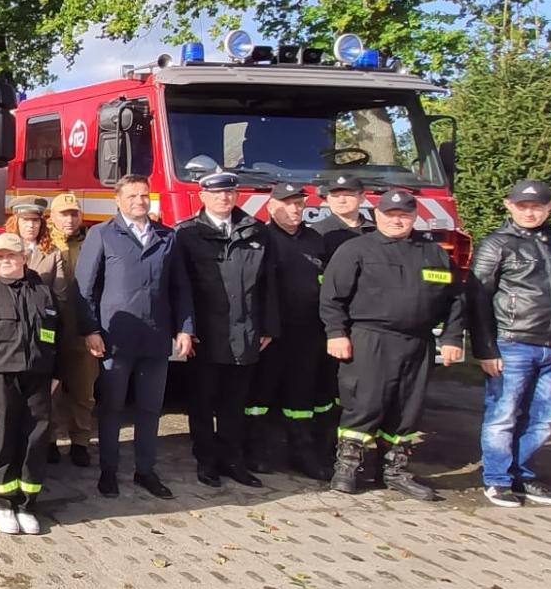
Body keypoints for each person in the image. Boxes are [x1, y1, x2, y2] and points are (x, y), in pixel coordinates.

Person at [320, 187, 466, 501]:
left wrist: (453, 337)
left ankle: (395, 470)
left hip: (418, 342)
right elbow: (332, 297)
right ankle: (347, 467)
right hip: (369, 338)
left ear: (414, 217)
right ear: (377, 214)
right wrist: (336, 333)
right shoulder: (356, 249)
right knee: (364, 403)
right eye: (390, 214)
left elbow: (456, 299)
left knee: (407, 408)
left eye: (404, 215)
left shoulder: (433, 253)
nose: (397, 221)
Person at [469, 179, 551, 507]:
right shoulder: (497, 245)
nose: (529, 212)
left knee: (544, 418)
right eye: (522, 206)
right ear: (509, 206)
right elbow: (478, 298)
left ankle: (522, 475)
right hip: (513, 343)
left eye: (536, 206)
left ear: (550, 207)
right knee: (503, 414)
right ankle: (497, 480)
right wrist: (485, 348)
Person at [76, 174, 192, 500]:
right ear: (118, 200)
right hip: (116, 338)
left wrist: (185, 328)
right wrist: (91, 330)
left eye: (144, 195)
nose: (139, 201)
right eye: (132, 196)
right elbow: (84, 289)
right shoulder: (101, 235)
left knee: (150, 409)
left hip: (156, 339)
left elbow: (180, 287)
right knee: (112, 407)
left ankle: (145, 470)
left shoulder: (168, 237)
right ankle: (109, 472)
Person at [172, 172, 280, 489]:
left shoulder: (257, 232)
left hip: (246, 331)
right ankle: (206, 462)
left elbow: (268, 284)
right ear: (203, 196)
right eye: (217, 194)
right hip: (206, 332)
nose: (224, 198)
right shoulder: (187, 234)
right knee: (203, 403)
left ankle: (233, 461)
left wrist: (268, 326)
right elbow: (181, 287)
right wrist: (185, 328)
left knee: (235, 404)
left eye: (229, 193)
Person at [0, 232, 59, 535]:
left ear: (24, 258)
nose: (6, 261)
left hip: (38, 378)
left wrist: (56, 374)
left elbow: (58, 335)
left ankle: (27, 502)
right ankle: (2, 502)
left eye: (12, 256)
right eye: (0, 256)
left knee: (33, 439)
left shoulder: (43, 293)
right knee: (0, 438)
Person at [259, 182, 335, 480]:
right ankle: (258, 453)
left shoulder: (315, 239)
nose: (294, 209)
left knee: (301, 399)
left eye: (299, 204)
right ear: (271, 206)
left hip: (308, 333)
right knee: (259, 398)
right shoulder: (260, 238)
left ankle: (303, 456)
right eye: (287, 203)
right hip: (270, 334)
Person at [37, 193, 95, 468]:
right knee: (49, 390)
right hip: (49, 328)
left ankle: (81, 441)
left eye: (74, 213)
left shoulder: (92, 242)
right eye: (63, 214)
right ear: (52, 217)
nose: (70, 219)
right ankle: (48, 440)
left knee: (83, 390)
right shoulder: (43, 243)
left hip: (82, 329)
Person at [312, 174, 374, 257]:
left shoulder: (375, 230)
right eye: (335, 196)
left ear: (362, 197)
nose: (341, 200)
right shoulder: (317, 232)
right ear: (327, 199)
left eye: (348, 195)